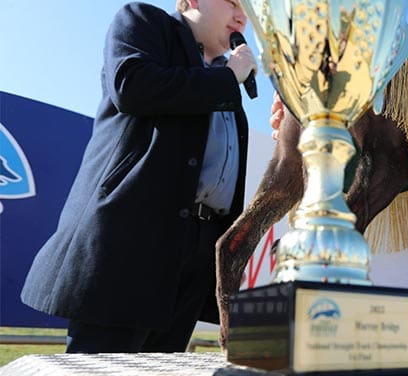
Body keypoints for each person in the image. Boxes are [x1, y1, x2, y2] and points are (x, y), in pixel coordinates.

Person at [20, 0, 258, 353]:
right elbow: (132, 85)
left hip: (195, 250)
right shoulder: (143, 22)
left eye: (248, 12)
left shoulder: (224, 74)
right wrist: (226, 78)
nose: (242, 18)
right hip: (131, 244)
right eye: (233, 3)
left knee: (160, 375)